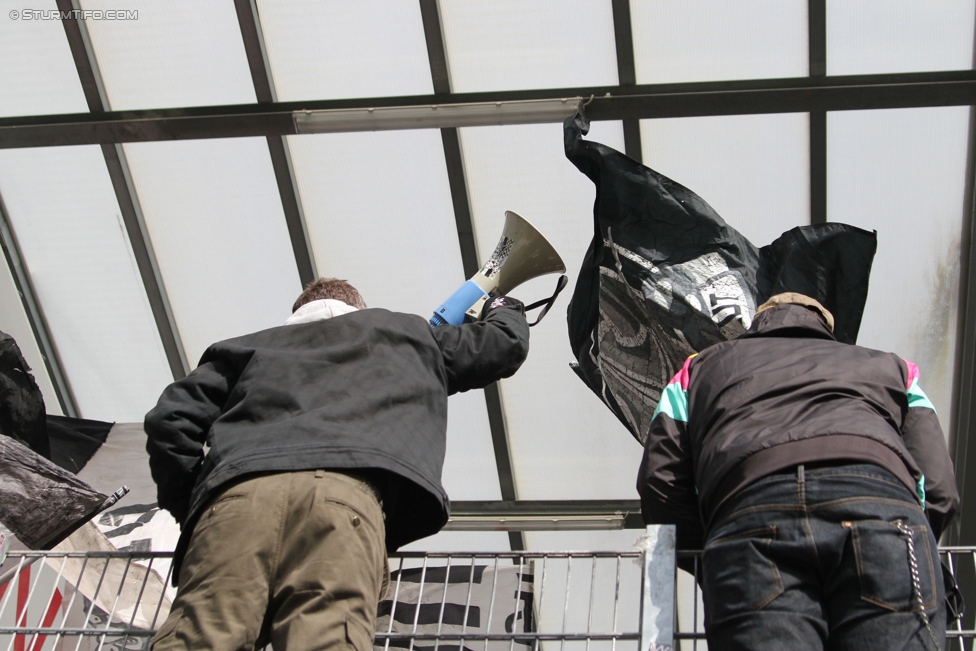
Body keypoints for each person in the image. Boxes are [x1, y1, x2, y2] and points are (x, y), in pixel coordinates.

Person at [145, 278, 529, 650]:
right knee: (328, 636)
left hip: (238, 500)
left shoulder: (241, 349)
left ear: (296, 312)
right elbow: (501, 345)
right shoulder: (408, 334)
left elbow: (170, 422)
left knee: (199, 635)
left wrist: (195, 505)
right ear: (358, 309)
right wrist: (502, 306)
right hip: (347, 499)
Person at [637, 292, 959, 651]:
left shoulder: (697, 369)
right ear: (825, 327)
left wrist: (710, 553)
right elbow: (939, 485)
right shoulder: (896, 369)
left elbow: (661, 481)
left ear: (757, 323)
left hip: (750, 515)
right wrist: (913, 538)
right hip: (883, 513)